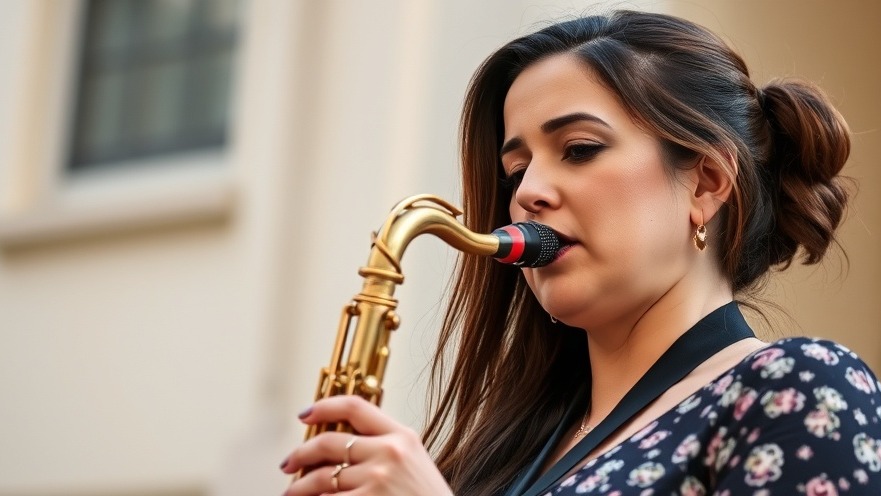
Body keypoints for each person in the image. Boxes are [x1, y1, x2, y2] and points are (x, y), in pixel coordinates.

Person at [280, 10, 881, 495]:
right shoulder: (502, 455)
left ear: (705, 183)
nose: (526, 194)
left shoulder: (802, 386)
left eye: (580, 148)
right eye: (516, 169)